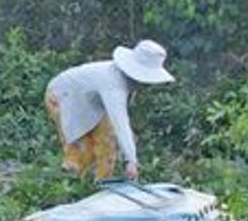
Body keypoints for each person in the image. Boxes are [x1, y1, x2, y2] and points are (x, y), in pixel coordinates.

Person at [45, 39, 175, 181]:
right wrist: (131, 161)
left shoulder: (124, 81)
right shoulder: (113, 85)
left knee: (107, 145)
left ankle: (101, 186)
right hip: (62, 96)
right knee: (82, 150)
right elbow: (120, 121)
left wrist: (129, 148)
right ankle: (72, 188)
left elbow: (119, 120)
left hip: (90, 102)